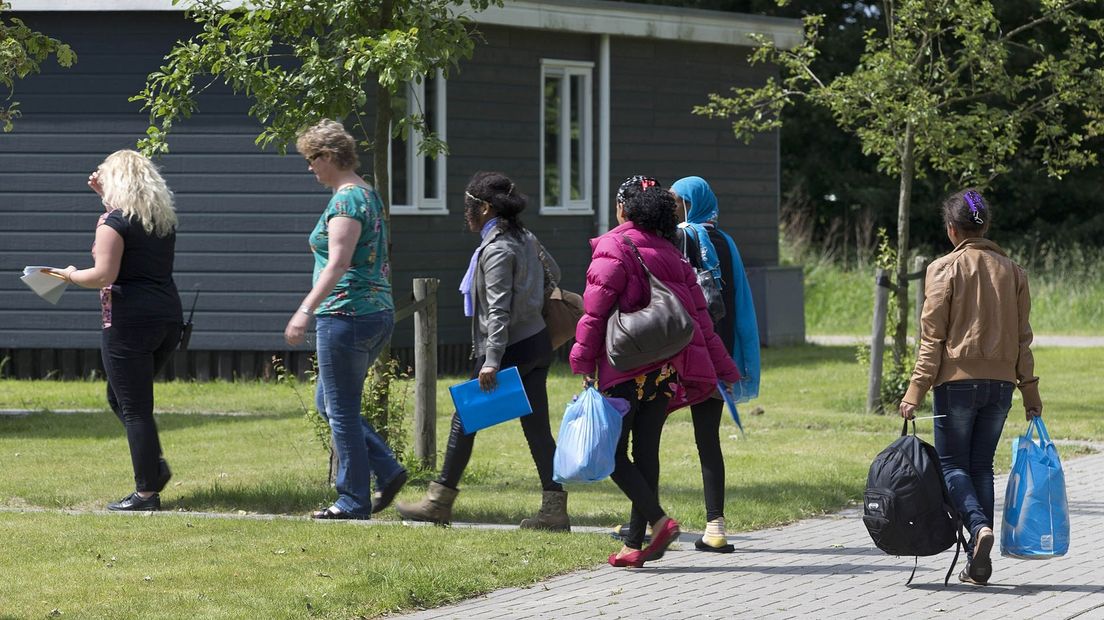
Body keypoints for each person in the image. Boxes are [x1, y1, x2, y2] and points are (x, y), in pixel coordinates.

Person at [570, 176, 741, 568]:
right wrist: (724, 368)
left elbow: (595, 314)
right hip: (666, 372)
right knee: (645, 452)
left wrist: (582, 362)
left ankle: (658, 520)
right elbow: (701, 320)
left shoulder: (613, 246)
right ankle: (634, 544)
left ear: (623, 209)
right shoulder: (672, 252)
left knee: (610, 452)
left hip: (625, 367)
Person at [396, 172, 569, 531]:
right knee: (537, 429)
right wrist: (534, 296)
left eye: (469, 207)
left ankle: (437, 502)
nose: (466, 213)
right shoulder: (525, 237)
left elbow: (498, 310)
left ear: (485, 208)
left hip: (509, 348)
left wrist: (491, 360)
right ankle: (554, 509)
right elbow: (554, 270)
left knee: (465, 417)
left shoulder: (497, 249)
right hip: (538, 343)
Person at [899, 188, 1042, 586]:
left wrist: (915, 391)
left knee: (951, 465)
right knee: (980, 467)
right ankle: (979, 563)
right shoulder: (1013, 271)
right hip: (1001, 386)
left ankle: (978, 530)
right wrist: (1029, 391)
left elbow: (932, 339)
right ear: (985, 226)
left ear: (951, 230)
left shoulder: (943, 268)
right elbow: (1022, 339)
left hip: (956, 385)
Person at [285, 119, 407, 520]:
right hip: (373, 312)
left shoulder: (345, 202)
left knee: (338, 409)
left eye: (311, 159)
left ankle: (353, 500)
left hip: (346, 312)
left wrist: (304, 310)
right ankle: (386, 470)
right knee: (330, 402)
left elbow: (337, 263)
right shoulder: (368, 194)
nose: (309, 167)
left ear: (329, 156)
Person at [52, 150, 182, 511]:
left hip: (129, 322)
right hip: (168, 319)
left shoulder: (112, 222)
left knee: (134, 406)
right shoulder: (160, 221)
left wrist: (69, 275)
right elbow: (132, 239)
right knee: (120, 398)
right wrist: (103, 197)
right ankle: (154, 470)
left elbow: (103, 274)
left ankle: (146, 493)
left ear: (118, 182)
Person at [670, 175, 761, 553]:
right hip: (717, 353)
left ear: (689, 204)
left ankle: (644, 521)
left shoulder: (681, 237)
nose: (672, 207)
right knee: (707, 439)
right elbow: (739, 303)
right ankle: (715, 526)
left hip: (682, 352)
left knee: (645, 434)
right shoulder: (727, 242)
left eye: (677, 202)